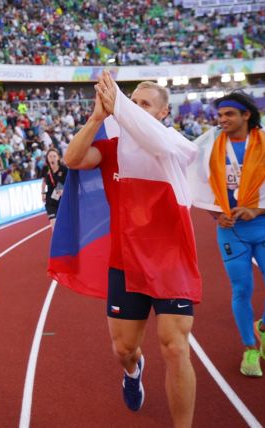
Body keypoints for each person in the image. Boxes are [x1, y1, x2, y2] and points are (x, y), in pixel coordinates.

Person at [63, 71, 200, 427]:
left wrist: (121, 107)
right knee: (124, 349)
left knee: (175, 346)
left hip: (172, 263)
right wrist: (97, 117)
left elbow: (159, 143)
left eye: (143, 105)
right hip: (125, 262)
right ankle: (134, 370)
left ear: (163, 113)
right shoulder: (111, 149)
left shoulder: (177, 145)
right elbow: (72, 160)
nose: (134, 110)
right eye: (131, 102)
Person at [188, 91, 265, 377]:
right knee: (242, 290)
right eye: (220, 114)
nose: (221, 119)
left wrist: (257, 210)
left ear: (246, 115)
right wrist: (215, 212)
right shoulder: (209, 144)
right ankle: (250, 350)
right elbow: (195, 180)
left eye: (229, 114)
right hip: (230, 231)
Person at [41, 148, 67, 226]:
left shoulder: (64, 169)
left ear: (58, 157)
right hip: (50, 201)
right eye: (50, 156)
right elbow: (44, 181)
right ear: (47, 158)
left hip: (62, 200)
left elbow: (69, 183)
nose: (52, 158)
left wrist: (63, 190)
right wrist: (42, 193)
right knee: (54, 223)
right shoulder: (45, 169)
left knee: (63, 224)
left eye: (54, 156)